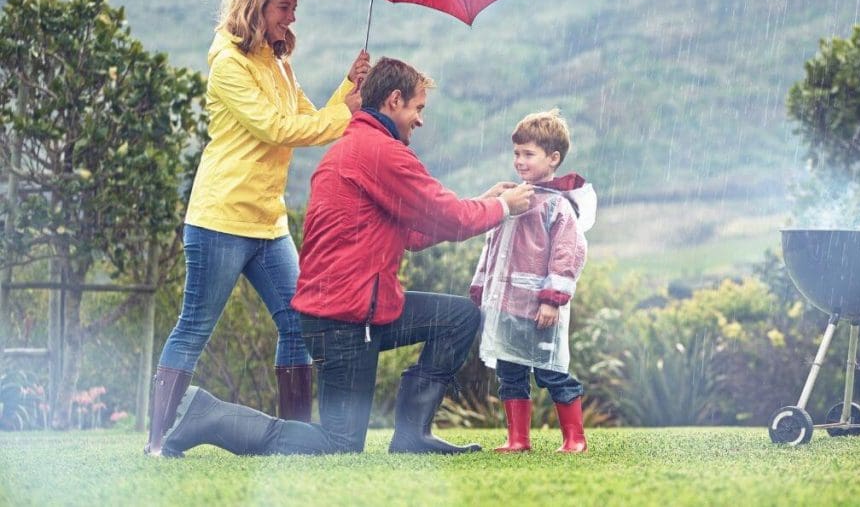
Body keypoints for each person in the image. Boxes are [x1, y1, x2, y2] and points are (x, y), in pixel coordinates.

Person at [158, 57, 534, 457]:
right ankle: (207, 415)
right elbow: (450, 217)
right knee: (338, 445)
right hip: (341, 323)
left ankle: (412, 436)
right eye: (417, 108)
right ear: (394, 100)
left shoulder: (357, 149)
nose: (420, 120)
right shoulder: (379, 153)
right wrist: (504, 207)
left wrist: (484, 203)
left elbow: (414, 232)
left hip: (368, 311)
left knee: (459, 317)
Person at [145, 0, 371, 456]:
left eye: (294, 8)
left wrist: (348, 88)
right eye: (283, 8)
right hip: (221, 218)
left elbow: (308, 119)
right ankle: (158, 441)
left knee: (298, 323)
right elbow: (275, 128)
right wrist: (346, 111)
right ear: (257, 7)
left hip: (268, 222)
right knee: (194, 328)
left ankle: (296, 442)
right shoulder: (228, 63)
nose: (292, 17)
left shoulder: (278, 62)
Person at [470, 109, 597, 453]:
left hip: (540, 310)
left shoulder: (558, 205)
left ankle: (575, 438)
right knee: (509, 373)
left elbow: (568, 253)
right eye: (516, 154)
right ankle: (517, 439)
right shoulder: (513, 199)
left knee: (552, 372)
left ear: (553, 158)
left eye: (529, 154)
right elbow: (493, 246)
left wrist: (551, 298)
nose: (520, 162)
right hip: (507, 307)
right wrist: (481, 286)